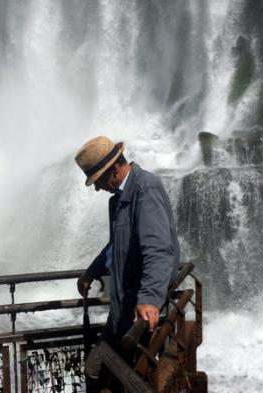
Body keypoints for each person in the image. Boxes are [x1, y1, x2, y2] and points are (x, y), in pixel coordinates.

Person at [74, 136, 180, 387]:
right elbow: (116, 247)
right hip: (122, 307)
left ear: (113, 168)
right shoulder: (118, 201)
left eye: (98, 180)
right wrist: (92, 272)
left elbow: (158, 247)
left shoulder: (145, 188)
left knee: (107, 371)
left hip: (138, 310)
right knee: (101, 370)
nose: (98, 188)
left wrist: (150, 298)